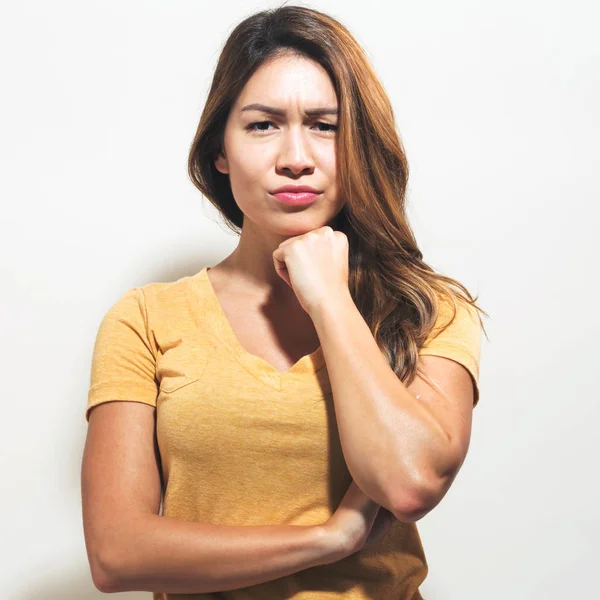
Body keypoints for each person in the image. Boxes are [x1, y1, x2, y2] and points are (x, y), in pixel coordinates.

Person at [81, 5, 488, 599]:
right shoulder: (145, 320)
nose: (296, 156)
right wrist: (327, 540)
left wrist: (329, 298)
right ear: (220, 149)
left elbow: (409, 483)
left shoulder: (430, 310)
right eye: (262, 124)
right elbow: (117, 555)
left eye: (325, 126)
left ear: (357, 145)